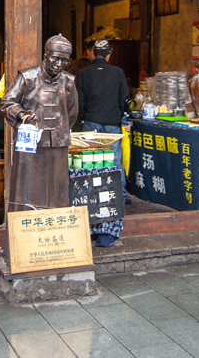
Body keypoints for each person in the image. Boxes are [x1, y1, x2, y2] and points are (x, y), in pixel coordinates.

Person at [1, 34, 78, 214]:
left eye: (64, 60)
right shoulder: (27, 77)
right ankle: (25, 226)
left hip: (58, 142)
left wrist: (61, 128)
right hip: (30, 142)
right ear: (45, 56)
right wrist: (21, 114)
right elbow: (7, 102)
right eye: (55, 58)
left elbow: (72, 113)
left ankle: (54, 225)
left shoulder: (69, 82)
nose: (59, 64)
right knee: (27, 186)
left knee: (56, 188)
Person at [75, 40, 131, 247]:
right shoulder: (118, 72)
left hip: (91, 122)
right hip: (112, 123)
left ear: (92, 54)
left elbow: (79, 101)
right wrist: (122, 118)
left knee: (93, 163)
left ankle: (93, 197)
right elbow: (124, 99)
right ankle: (120, 197)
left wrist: (79, 123)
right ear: (108, 55)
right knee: (115, 162)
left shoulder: (83, 74)